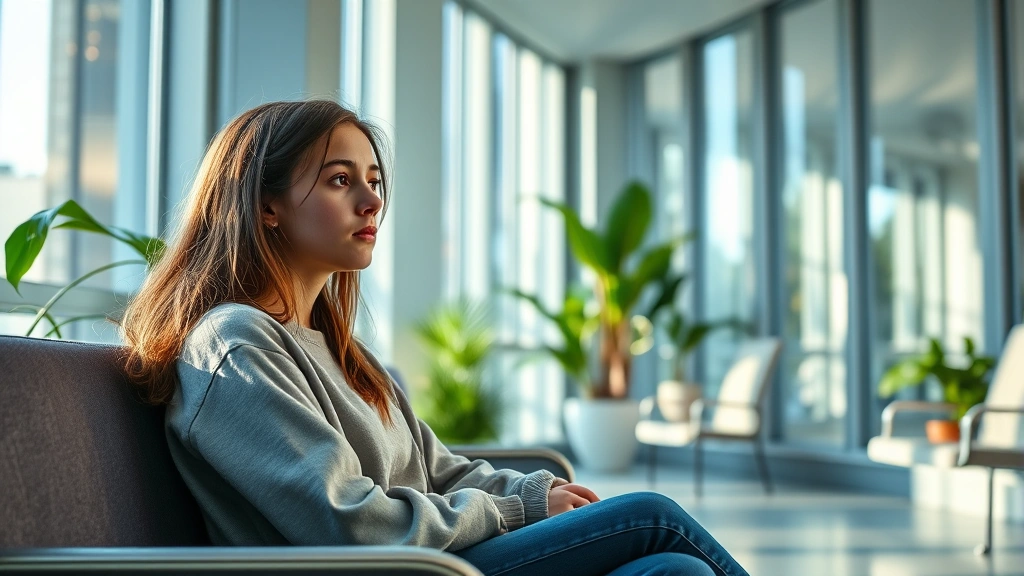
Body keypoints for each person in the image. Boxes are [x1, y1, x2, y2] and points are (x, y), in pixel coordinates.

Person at [121, 99, 749, 576]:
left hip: (423, 563)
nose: (372, 201)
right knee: (651, 517)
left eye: (372, 179)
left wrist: (533, 492)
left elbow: (438, 473)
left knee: (676, 571)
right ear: (266, 206)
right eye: (341, 180)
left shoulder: (341, 352)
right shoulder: (235, 345)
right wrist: (516, 511)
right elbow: (349, 526)